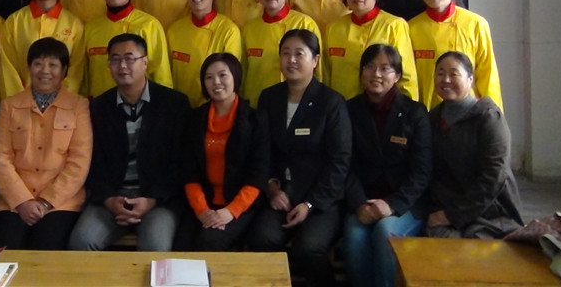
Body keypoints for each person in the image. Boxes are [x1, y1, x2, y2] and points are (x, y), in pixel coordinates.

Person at [246, 30, 351, 287]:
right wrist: (271, 188)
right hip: (280, 195)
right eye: (286, 54)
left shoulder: (331, 102)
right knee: (261, 239)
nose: (291, 60)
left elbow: (340, 161)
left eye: (299, 54)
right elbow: (262, 152)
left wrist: (310, 204)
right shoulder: (269, 98)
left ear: (315, 60)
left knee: (308, 248)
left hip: (319, 198)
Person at [68, 34, 190, 251]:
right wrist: (109, 200)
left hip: (158, 200)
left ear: (145, 62)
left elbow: (181, 162)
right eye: (115, 59)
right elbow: (93, 162)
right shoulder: (98, 107)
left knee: (155, 247)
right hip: (111, 199)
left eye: (129, 58)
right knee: (81, 242)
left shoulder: (174, 104)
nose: (122, 66)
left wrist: (151, 200)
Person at [0, 38, 92, 250]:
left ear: (64, 71)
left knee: (47, 244)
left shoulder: (78, 106)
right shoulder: (10, 106)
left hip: (61, 203)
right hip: (13, 202)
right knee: (6, 245)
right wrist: (23, 201)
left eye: (53, 65)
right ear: (28, 68)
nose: (45, 71)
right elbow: (0, 157)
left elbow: (79, 162)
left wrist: (45, 202)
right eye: (38, 64)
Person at [343, 44, 432, 287]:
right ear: (361, 73)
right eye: (370, 67)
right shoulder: (349, 110)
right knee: (354, 237)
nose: (376, 74)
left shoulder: (415, 113)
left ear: (397, 76)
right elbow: (344, 165)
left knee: (385, 232)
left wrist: (391, 205)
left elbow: (422, 172)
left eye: (385, 68)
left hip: (405, 203)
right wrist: (359, 203)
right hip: (363, 200)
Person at [425, 51, 523, 238]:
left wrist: (453, 214)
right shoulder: (433, 118)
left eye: (454, 74)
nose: (446, 80)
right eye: (440, 73)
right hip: (446, 208)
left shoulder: (489, 118)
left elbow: (494, 175)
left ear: (470, 79)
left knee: (475, 246)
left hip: (491, 212)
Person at [182, 53, 268, 251]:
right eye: (209, 77)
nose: (216, 82)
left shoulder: (255, 120)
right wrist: (202, 211)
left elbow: (258, 175)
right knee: (179, 245)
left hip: (240, 204)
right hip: (203, 202)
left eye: (223, 75)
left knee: (208, 242)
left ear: (235, 77)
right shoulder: (195, 119)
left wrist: (230, 212)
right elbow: (189, 171)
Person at [408, 0, 502, 110]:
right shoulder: (411, 28)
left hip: (470, 113)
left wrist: (492, 114)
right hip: (427, 113)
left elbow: (488, 75)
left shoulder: (475, 24)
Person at [323, 0, 418, 101]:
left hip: (382, 108)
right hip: (341, 107)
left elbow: (407, 77)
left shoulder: (394, 26)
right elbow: (325, 75)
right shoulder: (333, 29)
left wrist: (408, 109)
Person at [81, 0, 172, 97]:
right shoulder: (91, 28)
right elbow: (85, 79)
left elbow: (162, 74)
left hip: (142, 104)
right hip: (101, 105)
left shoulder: (149, 25)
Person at [0, 0, 85, 98]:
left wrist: (59, 102)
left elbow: (76, 71)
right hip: (22, 105)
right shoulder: (14, 22)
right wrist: (20, 103)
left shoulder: (74, 24)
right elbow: (8, 69)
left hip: (62, 106)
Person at [242, 0, 322, 107]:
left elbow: (318, 71)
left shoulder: (304, 24)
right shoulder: (249, 29)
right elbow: (243, 72)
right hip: (256, 105)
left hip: (298, 105)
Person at [166, 0, 242, 107]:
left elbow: (231, 78)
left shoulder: (228, 30)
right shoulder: (174, 30)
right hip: (180, 108)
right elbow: (167, 75)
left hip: (214, 108)